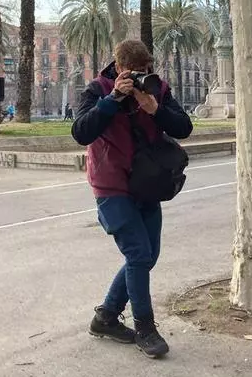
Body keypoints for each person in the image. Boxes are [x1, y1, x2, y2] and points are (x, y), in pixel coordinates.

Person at [71, 39, 193, 359]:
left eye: (145, 69)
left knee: (147, 256)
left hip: (147, 184)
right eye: (133, 71)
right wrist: (113, 99)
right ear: (119, 68)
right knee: (138, 255)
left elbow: (184, 127)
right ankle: (145, 328)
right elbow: (81, 132)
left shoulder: (157, 89)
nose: (140, 75)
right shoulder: (98, 90)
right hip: (111, 186)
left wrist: (156, 109)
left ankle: (106, 317)